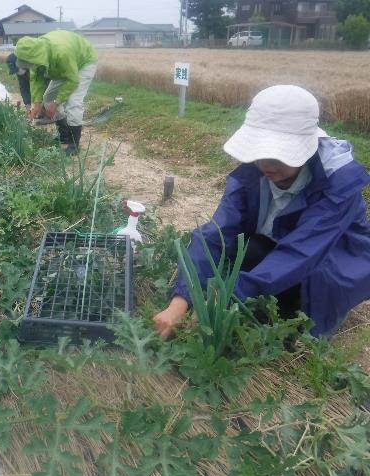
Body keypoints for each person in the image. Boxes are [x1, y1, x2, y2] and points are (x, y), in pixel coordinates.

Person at [154, 85, 370, 338]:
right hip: (278, 245)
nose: (266, 164)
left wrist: (222, 300)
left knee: (297, 323)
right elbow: (216, 232)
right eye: (260, 153)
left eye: (278, 156)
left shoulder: (337, 184)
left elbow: (300, 253)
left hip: (330, 261)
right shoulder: (252, 173)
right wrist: (181, 301)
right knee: (243, 251)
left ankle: (321, 311)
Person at [14, 31, 97, 155]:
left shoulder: (61, 52)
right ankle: (64, 135)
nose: (28, 66)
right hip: (62, 68)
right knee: (48, 98)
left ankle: (74, 144)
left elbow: (72, 80)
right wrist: (36, 103)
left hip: (84, 62)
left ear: (35, 57)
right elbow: (36, 80)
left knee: (73, 101)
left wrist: (57, 102)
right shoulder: (35, 58)